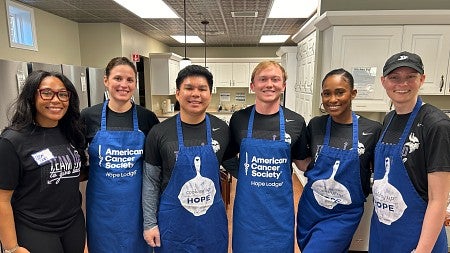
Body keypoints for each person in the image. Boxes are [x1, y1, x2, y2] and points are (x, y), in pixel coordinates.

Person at [142, 64, 230, 252]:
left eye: (202, 89)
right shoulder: (159, 132)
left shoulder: (222, 130)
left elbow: (234, 164)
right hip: (173, 225)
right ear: (178, 93)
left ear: (210, 93)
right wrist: (150, 224)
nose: (195, 94)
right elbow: (150, 182)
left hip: (211, 225)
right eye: (189, 88)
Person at [370, 51, 450, 252]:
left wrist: (422, 250)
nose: (402, 84)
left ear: (422, 79)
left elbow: (438, 199)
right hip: (383, 232)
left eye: (410, 77)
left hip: (416, 237)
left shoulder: (436, 125)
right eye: (394, 78)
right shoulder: (389, 120)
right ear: (383, 81)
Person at [226, 60, 309, 253]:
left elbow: (302, 162)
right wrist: (248, 174)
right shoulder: (239, 119)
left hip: (280, 212)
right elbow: (228, 156)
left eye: (275, 79)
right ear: (252, 85)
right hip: (248, 213)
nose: (269, 84)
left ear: (284, 85)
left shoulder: (296, 122)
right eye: (263, 79)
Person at [295, 68, 382, 252]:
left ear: (353, 93)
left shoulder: (372, 130)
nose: (332, 99)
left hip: (343, 215)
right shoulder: (316, 124)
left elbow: (378, 171)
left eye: (340, 92)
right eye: (327, 94)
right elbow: (307, 162)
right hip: (310, 209)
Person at [0, 70, 87, 253]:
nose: (56, 100)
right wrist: (11, 248)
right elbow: (2, 200)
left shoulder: (70, 132)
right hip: (35, 228)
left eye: (63, 94)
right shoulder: (13, 141)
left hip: (73, 223)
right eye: (47, 93)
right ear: (32, 96)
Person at [81, 57, 159, 252]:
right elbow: (75, 155)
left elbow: (156, 164)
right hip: (102, 207)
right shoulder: (88, 116)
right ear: (106, 80)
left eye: (130, 80)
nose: (124, 85)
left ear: (135, 83)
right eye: (118, 78)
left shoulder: (147, 118)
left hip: (136, 207)